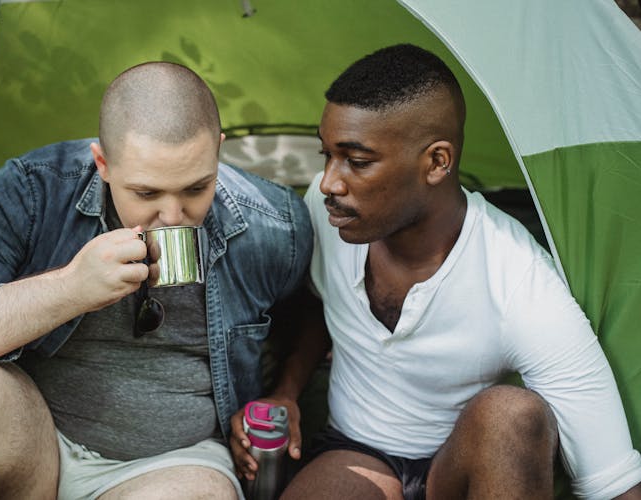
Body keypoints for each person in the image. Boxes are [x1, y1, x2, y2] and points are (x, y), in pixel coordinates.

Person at [229, 44, 641, 499]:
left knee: (513, 414)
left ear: (437, 162)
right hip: (355, 454)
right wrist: (286, 391)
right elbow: (317, 301)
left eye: (357, 161)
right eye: (327, 154)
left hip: (459, 471)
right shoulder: (334, 214)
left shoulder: (520, 282)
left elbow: (614, 481)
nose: (329, 181)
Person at [0, 62, 312, 499]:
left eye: (195, 189)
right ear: (103, 163)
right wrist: (70, 289)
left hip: (174, 465)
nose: (172, 217)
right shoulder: (34, 193)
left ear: (218, 154)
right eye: (146, 194)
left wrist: (286, 393)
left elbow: (314, 315)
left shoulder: (275, 225)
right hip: (38, 443)